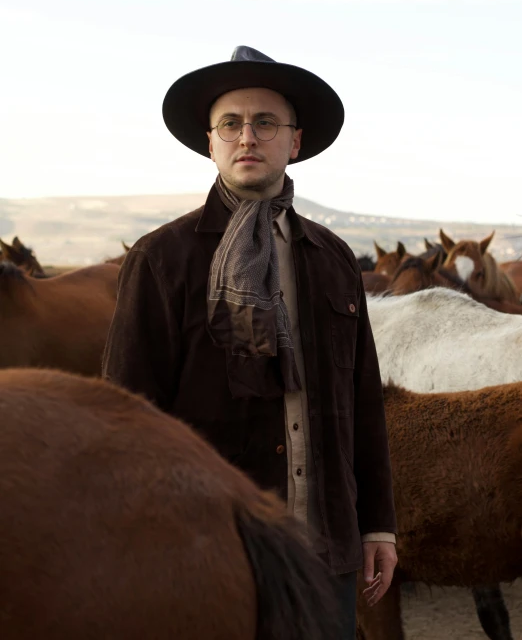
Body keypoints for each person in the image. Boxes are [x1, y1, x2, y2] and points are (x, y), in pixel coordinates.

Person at [102, 45, 397, 637]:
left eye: (265, 122)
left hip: (324, 548)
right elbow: (125, 417)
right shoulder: (163, 259)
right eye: (230, 124)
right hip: (208, 550)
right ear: (209, 142)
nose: (247, 137)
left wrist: (377, 527)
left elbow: (363, 401)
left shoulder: (334, 258)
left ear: (294, 142)